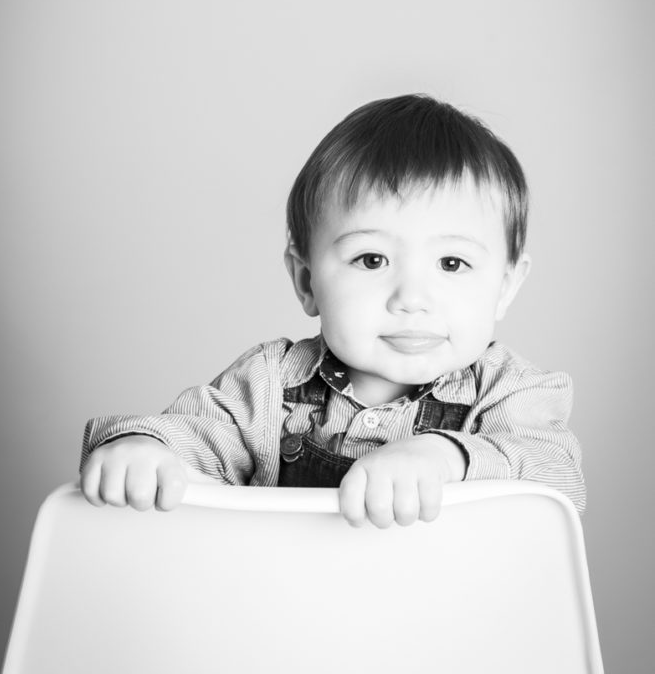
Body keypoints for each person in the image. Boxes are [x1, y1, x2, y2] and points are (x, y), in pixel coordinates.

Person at [80, 94, 585, 528]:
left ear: (505, 286)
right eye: (371, 259)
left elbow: (555, 475)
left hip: (449, 632)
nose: (412, 297)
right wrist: (144, 450)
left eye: (452, 263)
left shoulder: (512, 394)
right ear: (306, 281)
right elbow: (196, 436)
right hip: (284, 625)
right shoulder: (269, 385)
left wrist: (442, 457)